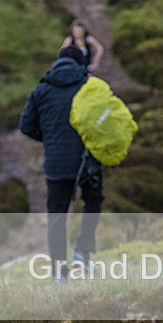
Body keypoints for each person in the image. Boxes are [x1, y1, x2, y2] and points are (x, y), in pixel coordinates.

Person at [19, 46, 104, 283]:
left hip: (56, 162)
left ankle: (59, 274)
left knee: (57, 216)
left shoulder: (41, 90)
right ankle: (82, 251)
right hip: (87, 159)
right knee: (94, 200)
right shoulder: (88, 86)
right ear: (80, 63)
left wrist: (50, 138)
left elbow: (25, 126)